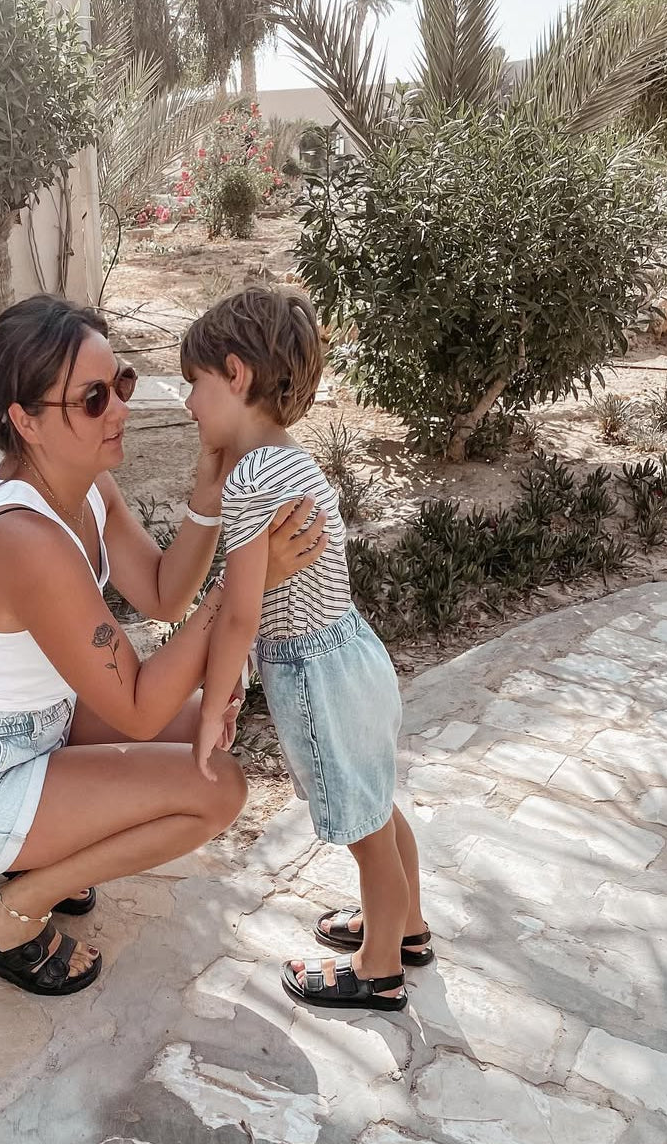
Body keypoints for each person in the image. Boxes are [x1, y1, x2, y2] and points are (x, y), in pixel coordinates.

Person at [0, 294, 330, 997]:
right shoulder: (23, 542)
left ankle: (42, 856)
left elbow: (161, 592)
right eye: (93, 399)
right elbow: (137, 711)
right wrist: (245, 586)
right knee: (216, 790)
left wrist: (207, 498)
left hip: (32, 728)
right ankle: (11, 913)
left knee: (203, 740)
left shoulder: (86, 486)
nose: (121, 407)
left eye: (119, 382)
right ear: (25, 419)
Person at [182, 285, 433, 1013]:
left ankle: (379, 966)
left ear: (235, 375)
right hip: (353, 651)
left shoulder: (252, 478)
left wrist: (214, 704)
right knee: (377, 808)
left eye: (195, 386)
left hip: (315, 675)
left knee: (363, 833)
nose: (190, 406)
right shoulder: (291, 459)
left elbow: (239, 614)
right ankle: (405, 925)